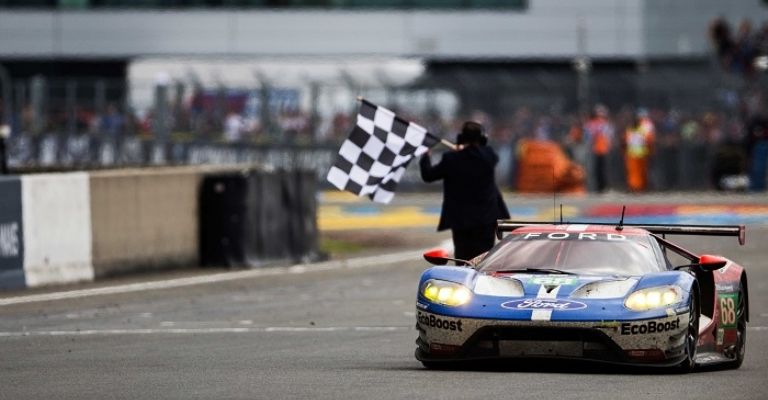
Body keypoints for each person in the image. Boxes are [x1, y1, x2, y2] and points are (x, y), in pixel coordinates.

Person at [419, 121, 510, 263]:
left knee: (463, 260)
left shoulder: (451, 158)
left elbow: (428, 176)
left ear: (461, 137)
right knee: (485, 261)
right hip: (486, 219)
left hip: (461, 221)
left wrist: (426, 156)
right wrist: (463, 150)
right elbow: (480, 152)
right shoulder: (489, 156)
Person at [623, 109, 655, 192]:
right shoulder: (634, 131)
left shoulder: (633, 130)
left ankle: (638, 186)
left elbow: (648, 141)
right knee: (635, 172)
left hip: (637, 154)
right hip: (636, 154)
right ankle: (637, 186)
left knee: (638, 172)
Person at [583, 104, 614, 192]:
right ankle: (600, 187)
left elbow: (609, 135)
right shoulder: (596, 124)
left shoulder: (597, 123)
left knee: (600, 170)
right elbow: (588, 135)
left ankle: (601, 187)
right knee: (599, 170)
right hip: (597, 149)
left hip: (600, 149)